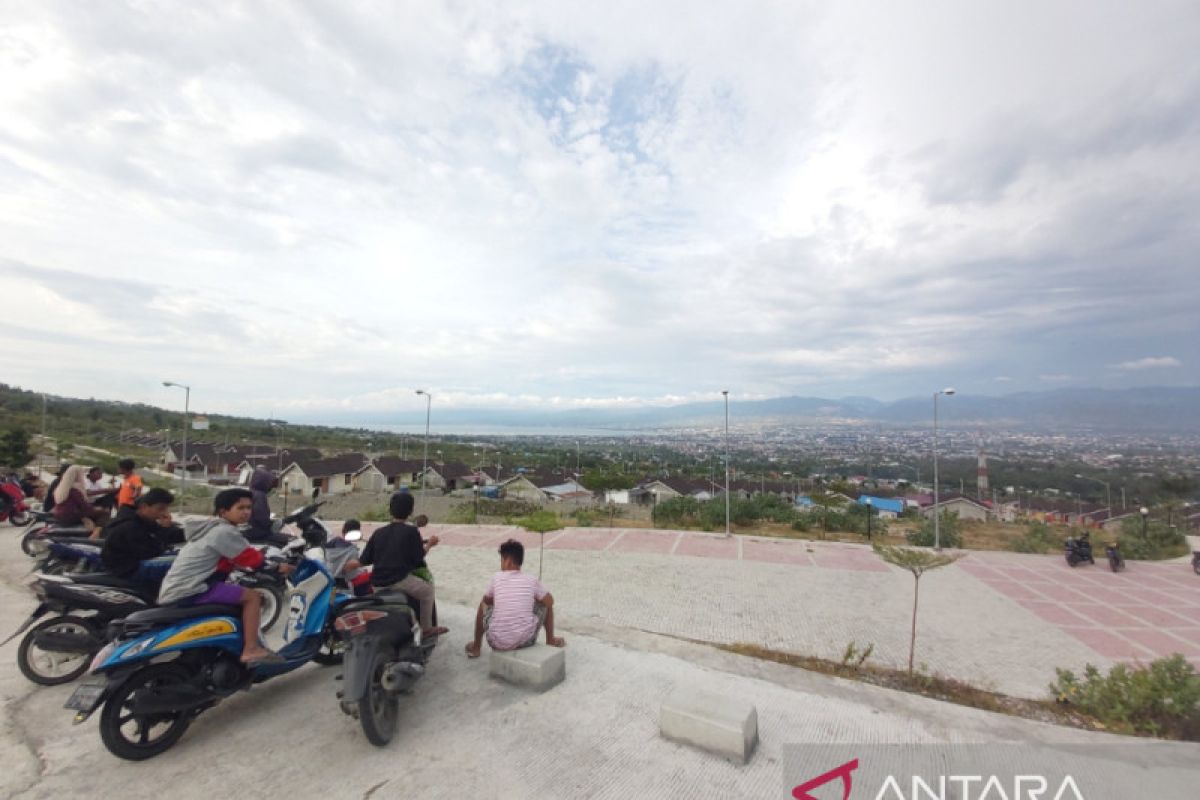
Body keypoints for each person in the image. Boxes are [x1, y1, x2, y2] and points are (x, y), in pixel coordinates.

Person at [156, 488, 289, 665]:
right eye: (240, 508)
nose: (246, 512)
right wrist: (280, 567)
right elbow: (254, 561)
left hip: (178, 588)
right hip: (192, 589)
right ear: (223, 511)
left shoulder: (211, 528)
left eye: (249, 508)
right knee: (253, 597)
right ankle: (251, 650)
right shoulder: (225, 532)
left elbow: (233, 558)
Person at [359, 492, 447, 638]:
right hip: (398, 581)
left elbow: (365, 560)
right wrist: (430, 545)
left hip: (376, 584)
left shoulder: (379, 532)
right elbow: (418, 558)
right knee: (428, 591)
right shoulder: (411, 531)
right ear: (411, 511)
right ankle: (426, 629)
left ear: (390, 510)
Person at [465, 538, 565, 658]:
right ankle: (551, 640)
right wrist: (535, 598)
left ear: (508, 562)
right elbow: (550, 601)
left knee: (482, 604)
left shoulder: (497, 578)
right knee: (545, 604)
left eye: (501, 560)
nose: (501, 563)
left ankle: (476, 647)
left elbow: (487, 601)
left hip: (496, 642)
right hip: (526, 641)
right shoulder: (531, 580)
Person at [100, 488, 185, 590]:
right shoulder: (129, 525)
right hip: (128, 569)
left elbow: (169, 536)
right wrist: (164, 529)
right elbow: (150, 551)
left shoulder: (144, 521)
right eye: (160, 509)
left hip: (137, 562)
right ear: (144, 507)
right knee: (181, 564)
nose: (164, 513)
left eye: (166, 509)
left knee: (180, 556)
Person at [51, 465, 110, 533]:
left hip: (59, 515)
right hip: (70, 516)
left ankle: (86, 520)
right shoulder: (75, 488)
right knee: (104, 513)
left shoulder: (60, 487)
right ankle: (96, 532)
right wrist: (97, 509)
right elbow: (85, 507)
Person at [245, 467, 290, 546]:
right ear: (263, 482)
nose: (270, 486)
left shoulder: (251, 492)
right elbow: (261, 516)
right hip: (260, 532)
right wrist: (269, 524)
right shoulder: (260, 496)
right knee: (290, 540)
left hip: (252, 530)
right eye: (269, 482)